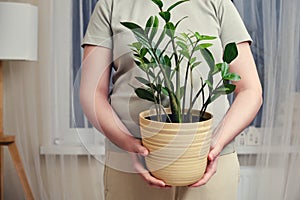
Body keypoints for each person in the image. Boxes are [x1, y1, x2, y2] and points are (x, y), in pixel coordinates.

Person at [79, 0, 262, 199]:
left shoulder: (217, 3)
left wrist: (214, 146)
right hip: (132, 163)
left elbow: (250, 90)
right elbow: (91, 93)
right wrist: (128, 143)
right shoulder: (111, 4)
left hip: (209, 164)